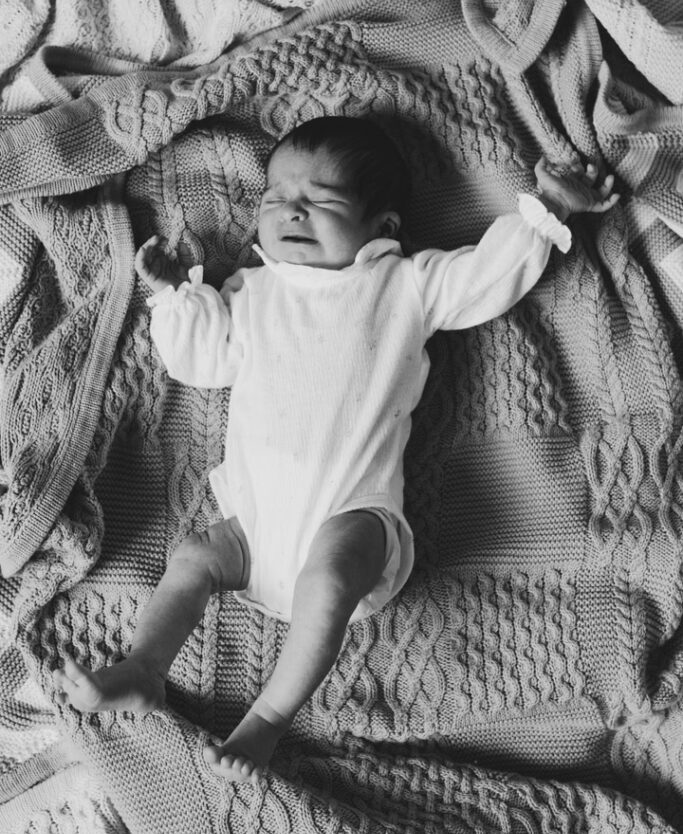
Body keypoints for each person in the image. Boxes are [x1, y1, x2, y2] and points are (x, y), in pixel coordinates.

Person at [53, 117, 619, 783]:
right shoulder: (251, 295)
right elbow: (198, 362)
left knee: (324, 579)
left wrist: (545, 211)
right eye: (274, 198)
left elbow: (484, 279)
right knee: (193, 557)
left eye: (319, 200)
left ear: (382, 227)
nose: (290, 210)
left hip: (354, 520)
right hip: (254, 527)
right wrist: (177, 296)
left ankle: (267, 718)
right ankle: (145, 666)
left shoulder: (403, 284)